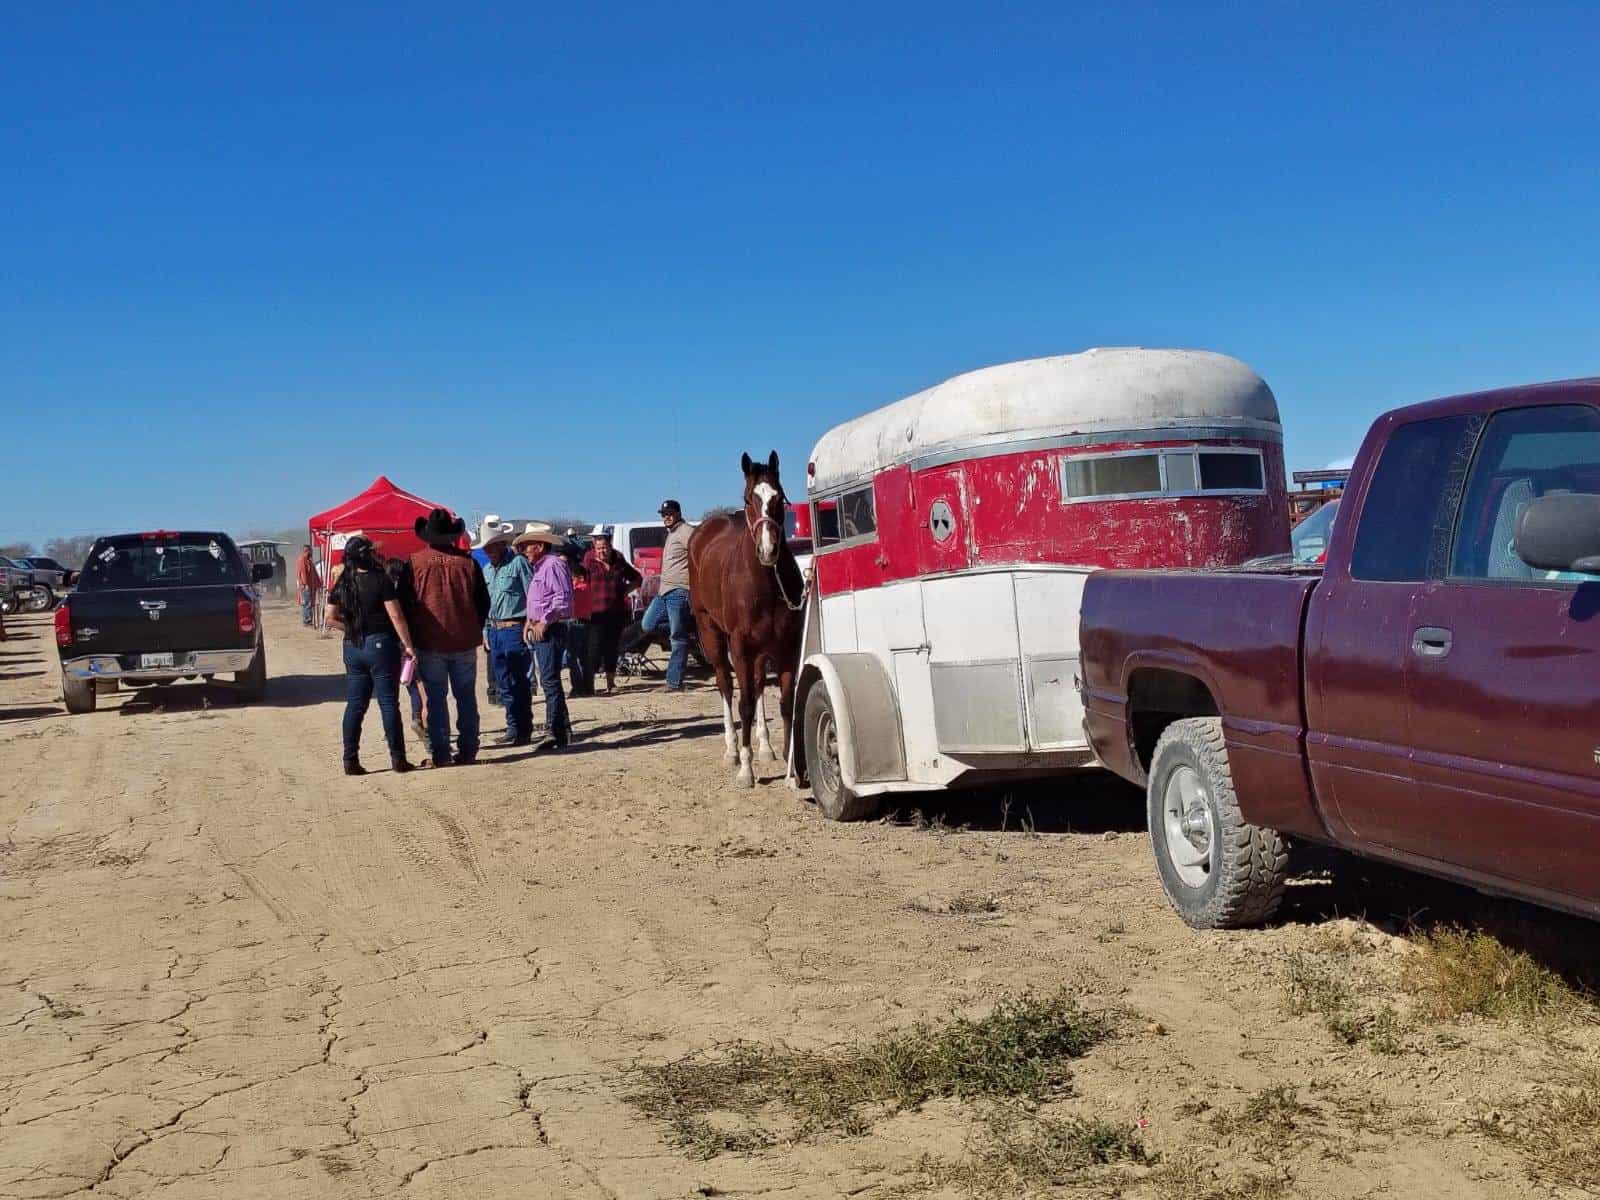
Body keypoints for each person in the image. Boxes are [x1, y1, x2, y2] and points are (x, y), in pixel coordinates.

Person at [324, 535, 418, 776]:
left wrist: (353, 628)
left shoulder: (344, 581)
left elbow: (329, 617)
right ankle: (398, 759)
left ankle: (350, 759)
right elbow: (396, 615)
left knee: (356, 704)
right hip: (380, 644)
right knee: (388, 703)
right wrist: (408, 644)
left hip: (353, 647)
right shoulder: (381, 580)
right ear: (368, 555)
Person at [405, 508, 490, 768]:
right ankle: (468, 750)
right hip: (464, 640)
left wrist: (410, 639)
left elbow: (406, 603)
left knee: (436, 699)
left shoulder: (414, 563)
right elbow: (483, 602)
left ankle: (441, 753)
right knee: (466, 697)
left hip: (430, 642)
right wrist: (472, 625)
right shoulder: (468, 562)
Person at [516, 527, 574, 754]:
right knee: (550, 680)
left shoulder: (552, 566)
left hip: (552, 629)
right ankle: (561, 729)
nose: (523, 551)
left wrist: (544, 621)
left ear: (539, 546)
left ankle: (555, 731)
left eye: (526, 546)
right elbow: (544, 599)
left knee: (550, 680)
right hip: (545, 627)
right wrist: (531, 621)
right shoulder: (542, 567)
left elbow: (563, 599)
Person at [481, 525, 535, 746]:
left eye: (492, 546)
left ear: (502, 544)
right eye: (486, 547)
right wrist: (485, 630)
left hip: (514, 627)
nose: (489, 551)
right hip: (494, 629)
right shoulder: (486, 570)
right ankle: (513, 725)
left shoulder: (519, 563)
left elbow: (532, 593)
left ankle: (524, 727)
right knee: (503, 681)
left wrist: (530, 622)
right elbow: (485, 604)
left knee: (518, 680)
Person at [634, 499, 694, 691]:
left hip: (679, 590)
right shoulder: (672, 533)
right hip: (664, 591)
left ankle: (674, 682)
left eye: (669, 513)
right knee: (647, 624)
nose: (666, 517)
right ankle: (689, 626)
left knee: (677, 637)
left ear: (678, 512)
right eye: (663, 514)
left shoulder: (687, 532)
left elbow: (697, 555)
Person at [582, 525, 642, 694]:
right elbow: (579, 580)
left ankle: (611, 683)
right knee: (593, 649)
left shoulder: (618, 558)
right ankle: (590, 685)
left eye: (605, 547)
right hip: (595, 613)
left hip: (615, 612)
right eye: (599, 548)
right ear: (594, 547)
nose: (602, 551)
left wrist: (625, 591)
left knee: (612, 648)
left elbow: (637, 578)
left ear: (610, 545)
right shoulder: (588, 560)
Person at [383, 555, 428, 741]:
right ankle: (417, 718)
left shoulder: (384, 593)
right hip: (409, 642)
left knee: (389, 689)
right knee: (415, 683)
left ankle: (390, 729)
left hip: (388, 644)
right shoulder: (409, 594)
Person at [295, 544, 318, 626]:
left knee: (309, 603)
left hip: (310, 585)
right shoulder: (302, 559)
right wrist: (305, 584)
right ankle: (307, 621)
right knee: (307, 603)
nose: (311, 552)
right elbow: (303, 573)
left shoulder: (309, 560)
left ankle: (309, 619)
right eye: (309, 551)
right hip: (305, 586)